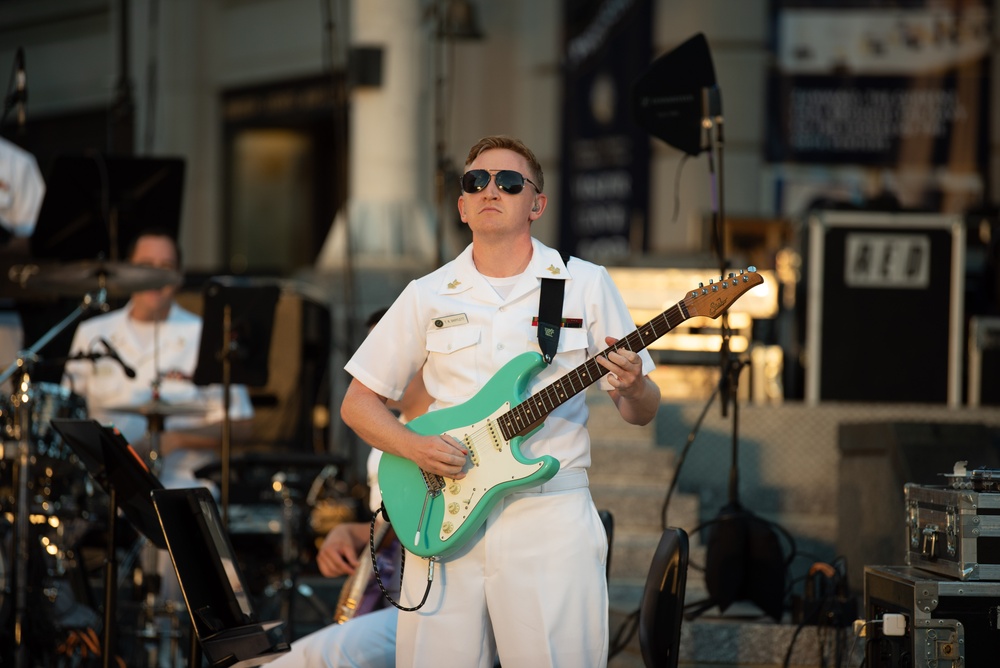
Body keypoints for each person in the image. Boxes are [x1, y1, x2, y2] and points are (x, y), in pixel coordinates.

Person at [339, 135, 660, 667]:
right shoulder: (427, 292)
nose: (491, 190)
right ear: (462, 206)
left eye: (510, 182)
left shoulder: (583, 283)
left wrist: (633, 387)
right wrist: (414, 448)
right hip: (442, 508)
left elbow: (640, 410)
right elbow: (358, 402)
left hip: (548, 514)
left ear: (537, 204)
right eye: (476, 182)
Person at [271, 309, 431, 668]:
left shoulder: (455, 430)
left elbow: (430, 529)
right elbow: (399, 528)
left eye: (383, 354)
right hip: (391, 599)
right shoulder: (384, 438)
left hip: (432, 604)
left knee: (314, 659)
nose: (373, 369)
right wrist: (353, 532)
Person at [63, 230, 255, 490]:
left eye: (165, 267)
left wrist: (174, 439)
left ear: (179, 276)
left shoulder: (204, 335)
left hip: (185, 487)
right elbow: (66, 414)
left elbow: (242, 426)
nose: (154, 277)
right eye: (145, 267)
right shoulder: (93, 333)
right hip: (104, 489)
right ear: (126, 270)